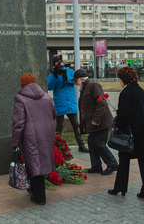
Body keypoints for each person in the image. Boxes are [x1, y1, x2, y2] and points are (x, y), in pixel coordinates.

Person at [108, 66, 144, 200]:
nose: (119, 81)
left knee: (124, 159)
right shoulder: (141, 91)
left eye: (119, 78)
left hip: (130, 133)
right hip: (143, 131)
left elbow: (124, 115)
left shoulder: (126, 93)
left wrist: (117, 125)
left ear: (124, 79)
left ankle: (120, 187)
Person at [11, 73, 56, 205]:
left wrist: (15, 142)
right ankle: (33, 189)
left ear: (22, 85)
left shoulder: (20, 99)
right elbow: (54, 114)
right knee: (40, 162)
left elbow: (18, 123)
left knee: (34, 163)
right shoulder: (46, 96)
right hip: (47, 133)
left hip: (31, 135)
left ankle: (40, 198)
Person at [74, 69, 118, 175]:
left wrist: (96, 120)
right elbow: (84, 110)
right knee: (92, 143)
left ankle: (112, 164)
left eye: (76, 80)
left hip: (100, 123)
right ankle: (96, 166)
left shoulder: (93, 86)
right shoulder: (84, 89)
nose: (75, 83)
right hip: (93, 124)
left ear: (82, 79)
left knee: (99, 143)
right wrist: (82, 126)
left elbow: (101, 103)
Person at [47, 55, 89, 152]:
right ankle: (57, 146)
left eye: (60, 62)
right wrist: (55, 75)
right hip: (60, 104)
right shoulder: (52, 74)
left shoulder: (70, 71)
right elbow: (49, 87)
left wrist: (66, 76)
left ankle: (81, 145)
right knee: (59, 126)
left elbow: (75, 81)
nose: (60, 65)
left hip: (71, 103)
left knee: (76, 125)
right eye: (57, 63)